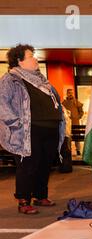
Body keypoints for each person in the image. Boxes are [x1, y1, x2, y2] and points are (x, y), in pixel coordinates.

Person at [0, 44, 66, 214]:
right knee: (28, 165)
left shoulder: (42, 81)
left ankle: (40, 195)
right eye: (31, 56)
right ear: (19, 61)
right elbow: (2, 104)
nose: (35, 59)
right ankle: (23, 200)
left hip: (50, 128)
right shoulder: (11, 79)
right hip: (28, 130)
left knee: (44, 164)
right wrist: (15, 124)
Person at [62, 88, 84, 155]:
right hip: (67, 123)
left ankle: (78, 150)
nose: (70, 94)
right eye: (69, 93)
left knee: (77, 136)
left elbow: (81, 112)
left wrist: (78, 117)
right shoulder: (64, 103)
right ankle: (69, 150)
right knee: (68, 137)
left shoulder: (76, 102)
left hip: (75, 122)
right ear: (67, 94)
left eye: (72, 93)